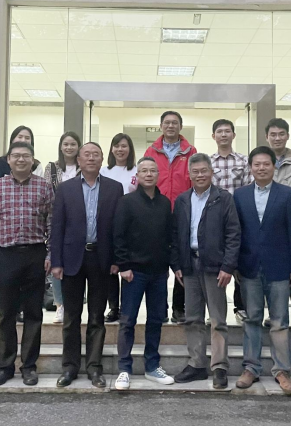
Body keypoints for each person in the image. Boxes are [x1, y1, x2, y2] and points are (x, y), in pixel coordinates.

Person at [51, 143, 124, 389]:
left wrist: (116, 260)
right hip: (72, 258)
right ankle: (69, 367)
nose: (91, 158)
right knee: (71, 317)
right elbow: (57, 227)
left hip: (101, 259)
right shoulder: (65, 189)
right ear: (79, 160)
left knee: (96, 317)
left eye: (96, 155)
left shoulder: (114, 188)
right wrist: (56, 261)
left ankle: (94, 367)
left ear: (102, 159)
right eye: (86, 155)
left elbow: (117, 228)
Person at [0, 142, 54, 387]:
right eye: (16, 156)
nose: (21, 160)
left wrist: (50, 255)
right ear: (9, 160)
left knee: (34, 313)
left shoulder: (43, 186)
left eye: (26, 156)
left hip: (35, 255)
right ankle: (4, 366)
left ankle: (29, 366)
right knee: (6, 313)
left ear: (33, 160)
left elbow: (52, 224)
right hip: (6, 256)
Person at [233, 146, 291, 395]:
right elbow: (236, 233)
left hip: (279, 268)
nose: (261, 168)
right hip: (249, 267)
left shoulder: (288, 194)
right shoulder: (240, 195)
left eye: (266, 164)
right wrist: (234, 265)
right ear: (250, 168)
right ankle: (250, 368)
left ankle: (281, 370)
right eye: (257, 164)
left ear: (274, 166)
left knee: (279, 321)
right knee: (252, 318)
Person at [172, 154, 241, 390]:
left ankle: (219, 366)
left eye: (204, 170)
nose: (200, 175)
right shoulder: (182, 200)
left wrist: (228, 266)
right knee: (193, 318)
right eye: (195, 171)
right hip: (189, 266)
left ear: (211, 172)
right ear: (189, 174)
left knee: (218, 319)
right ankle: (197, 364)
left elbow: (233, 234)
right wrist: (177, 265)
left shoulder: (223, 198)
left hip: (215, 267)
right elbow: (175, 235)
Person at [113, 157, 178, 390]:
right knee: (128, 321)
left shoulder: (164, 203)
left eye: (152, 171)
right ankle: (124, 368)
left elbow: (169, 236)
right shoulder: (126, 202)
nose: (149, 174)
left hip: (159, 273)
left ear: (158, 175)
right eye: (144, 171)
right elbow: (118, 236)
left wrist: (171, 265)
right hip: (134, 272)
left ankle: (152, 366)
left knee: (155, 320)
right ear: (137, 176)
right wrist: (123, 266)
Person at [145, 111, 197, 324]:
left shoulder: (190, 151)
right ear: (161, 126)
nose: (170, 126)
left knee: (181, 259)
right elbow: (146, 178)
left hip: (183, 210)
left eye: (175, 122)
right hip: (157, 210)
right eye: (167, 122)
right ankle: (160, 308)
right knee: (158, 260)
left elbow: (194, 179)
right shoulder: (152, 150)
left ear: (180, 126)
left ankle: (178, 307)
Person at [265, 118, 291, 328]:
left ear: (287, 136)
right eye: (273, 134)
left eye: (281, 134)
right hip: (269, 223)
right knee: (272, 271)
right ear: (267, 137)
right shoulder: (262, 159)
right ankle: (273, 312)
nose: (277, 138)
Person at [210, 119, 253, 326]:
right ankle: (214, 311)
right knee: (216, 264)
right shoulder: (208, 162)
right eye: (220, 131)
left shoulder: (244, 161)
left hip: (240, 218)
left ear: (234, 135)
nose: (224, 135)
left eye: (227, 131)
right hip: (215, 220)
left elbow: (248, 189)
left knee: (239, 263)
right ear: (214, 136)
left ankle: (241, 308)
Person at [43, 131, 82, 325]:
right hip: (56, 219)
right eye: (66, 144)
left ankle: (75, 303)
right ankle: (59, 305)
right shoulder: (51, 168)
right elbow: (46, 194)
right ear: (60, 146)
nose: (69, 147)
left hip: (79, 221)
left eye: (73, 144)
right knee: (56, 262)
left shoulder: (84, 167)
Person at [101, 133, 138, 324]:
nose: (120, 149)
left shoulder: (137, 171)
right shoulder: (103, 171)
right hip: (108, 224)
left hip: (131, 225)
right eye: (116, 146)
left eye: (124, 146)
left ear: (130, 149)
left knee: (127, 265)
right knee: (111, 267)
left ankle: (127, 307)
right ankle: (113, 307)